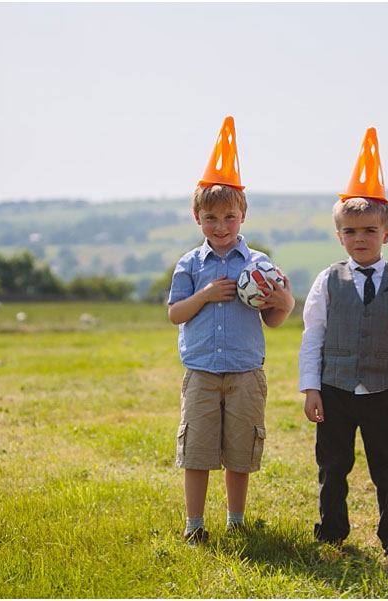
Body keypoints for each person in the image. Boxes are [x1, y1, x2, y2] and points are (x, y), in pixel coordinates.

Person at [298, 128, 388, 560]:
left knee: (387, 470)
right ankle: (331, 533)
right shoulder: (327, 280)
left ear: (386, 233)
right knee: (332, 467)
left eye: (369, 230)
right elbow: (312, 334)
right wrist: (310, 387)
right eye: (351, 230)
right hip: (334, 391)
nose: (360, 238)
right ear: (340, 236)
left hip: (381, 394)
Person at [168, 117, 295, 544]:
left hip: (244, 372)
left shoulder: (258, 265)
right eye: (210, 218)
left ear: (243, 215)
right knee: (198, 451)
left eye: (228, 217)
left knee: (241, 450)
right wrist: (204, 295)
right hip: (202, 372)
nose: (220, 226)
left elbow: (273, 318)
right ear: (196, 217)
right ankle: (194, 524)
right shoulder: (190, 265)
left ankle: (236, 519)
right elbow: (175, 314)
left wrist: (285, 303)